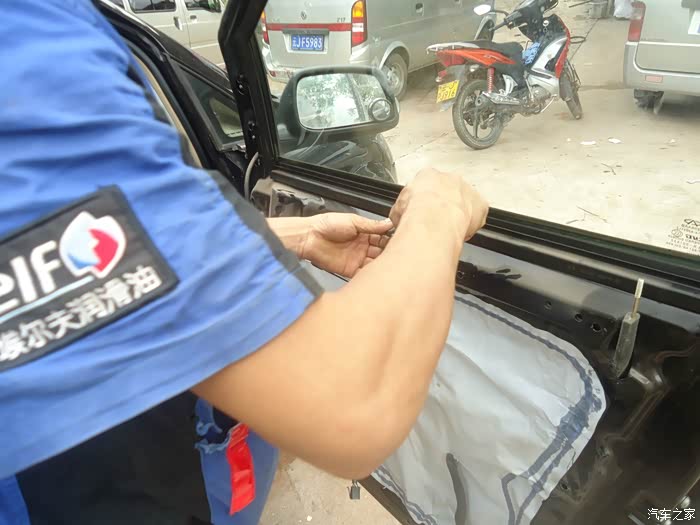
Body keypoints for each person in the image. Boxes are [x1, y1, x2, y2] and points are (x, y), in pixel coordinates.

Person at [0, 1, 488, 524]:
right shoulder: (28, 40)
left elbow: (88, 250)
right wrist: (440, 209)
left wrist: (294, 235)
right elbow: (350, 400)